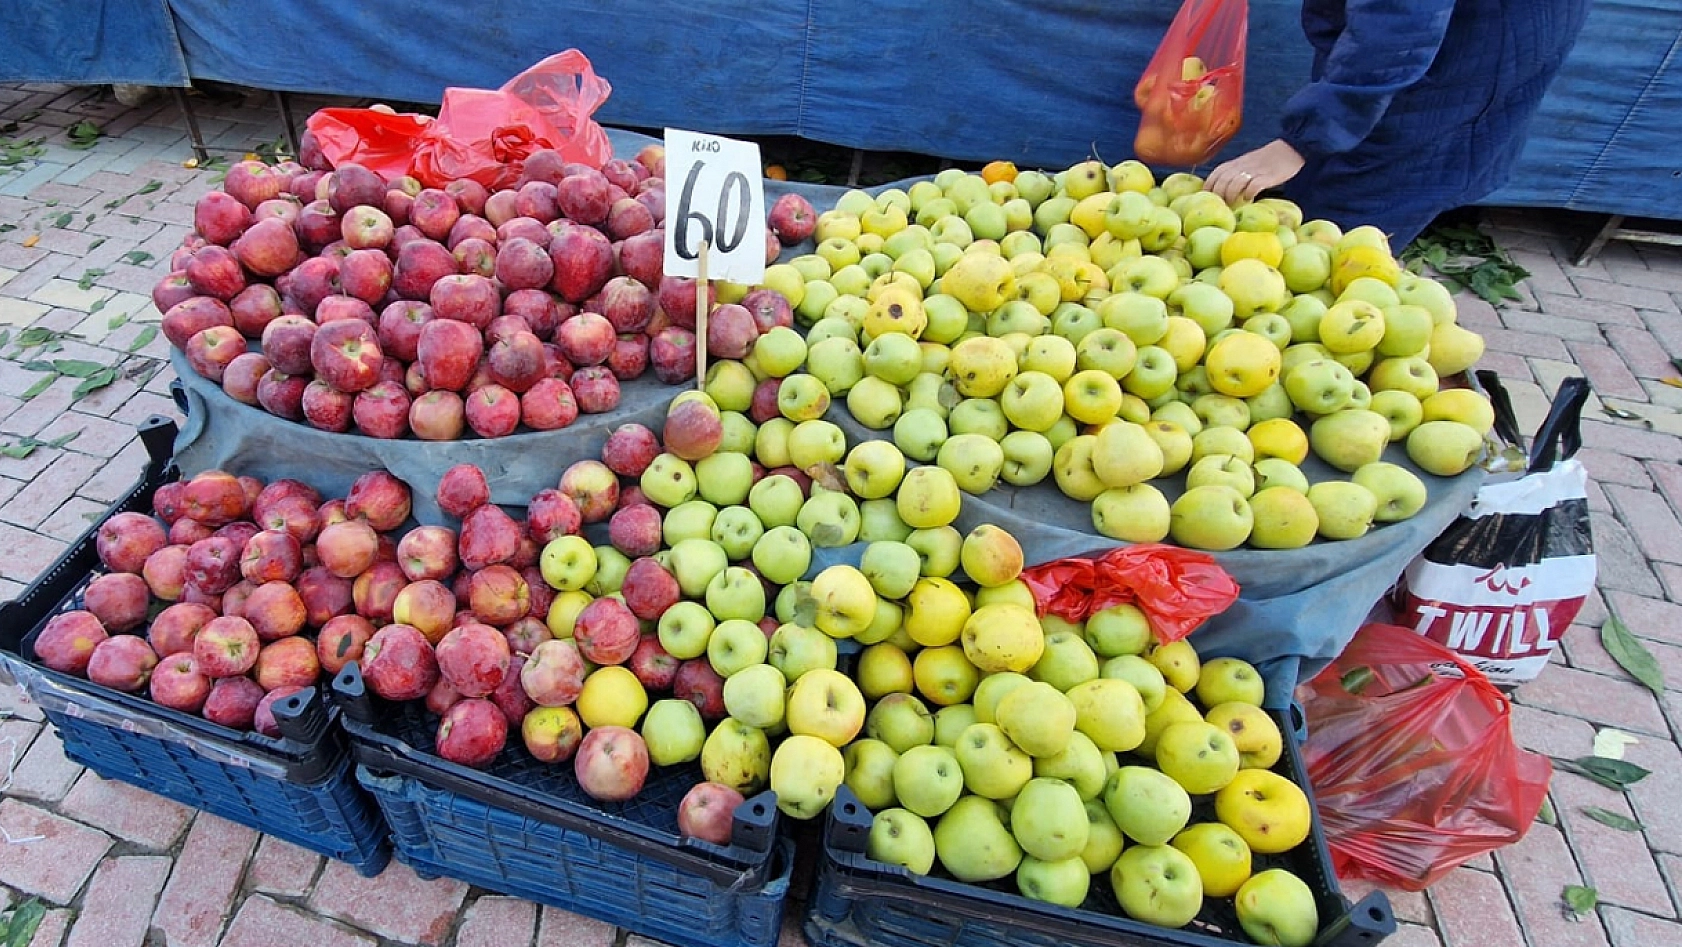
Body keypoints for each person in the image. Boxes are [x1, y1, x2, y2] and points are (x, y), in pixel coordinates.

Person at [1205, 0, 1591, 249]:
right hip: (1442, 32)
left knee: (1341, 230)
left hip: (1468, 44)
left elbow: (1401, 20)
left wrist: (1304, 139)